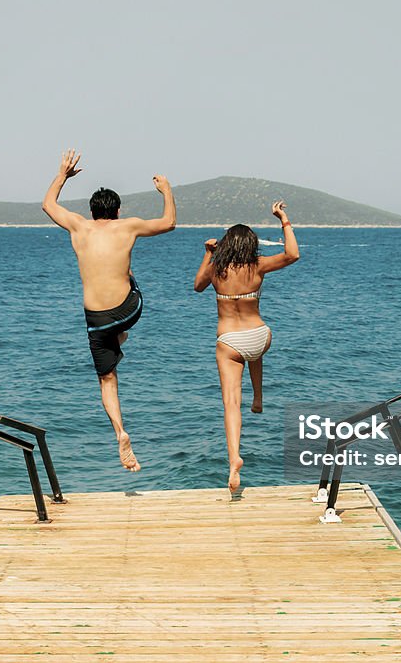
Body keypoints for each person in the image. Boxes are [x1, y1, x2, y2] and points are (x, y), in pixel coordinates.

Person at [42, 149, 176, 472]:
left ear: (90, 211)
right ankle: (123, 332)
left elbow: (47, 205)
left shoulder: (78, 227)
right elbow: (169, 222)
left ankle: (120, 431)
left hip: (96, 320)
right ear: (117, 211)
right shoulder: (127, 226)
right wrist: (167, 190)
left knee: (107, 380)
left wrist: (63, 174)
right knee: (129, 276)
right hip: (130, 310)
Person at [193, 201, 299, 492]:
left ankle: (233, 460)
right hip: (260, 335)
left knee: (230, 403)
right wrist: (284, 219)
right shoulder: (258, 265)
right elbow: (293, 254)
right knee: (254, 352)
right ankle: (259, 398)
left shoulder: (216, 270)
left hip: (230, 341)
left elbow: (197, 286)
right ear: (251, 245)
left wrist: (208, 254)